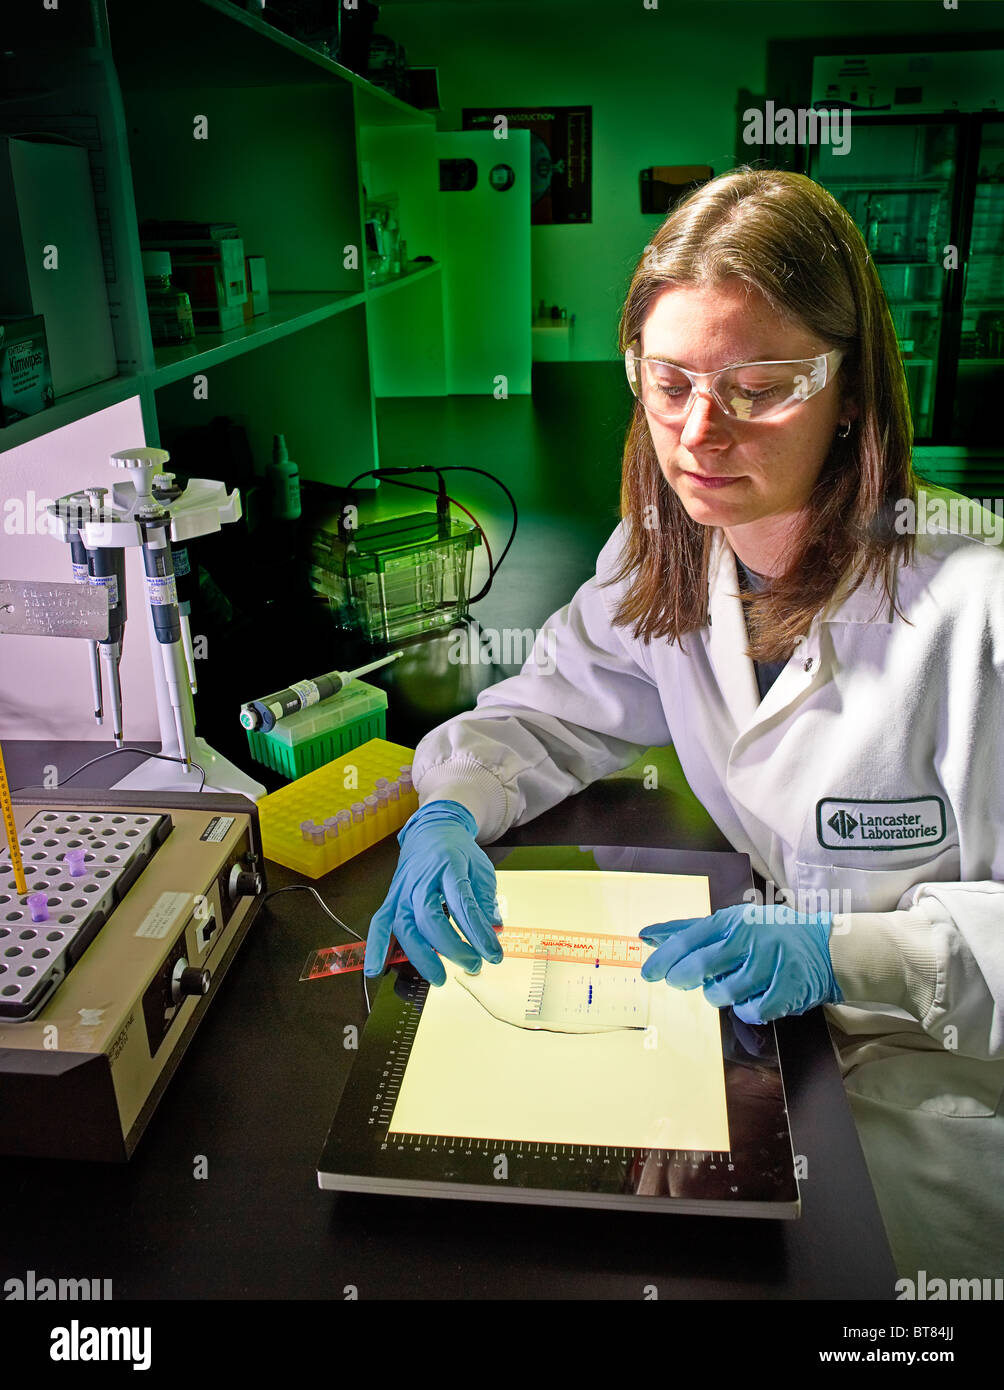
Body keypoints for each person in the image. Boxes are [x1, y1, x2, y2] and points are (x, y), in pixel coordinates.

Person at [364, 167, 1004, 1283]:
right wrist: (448, 816)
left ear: (848, 392)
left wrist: (839, 951)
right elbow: (537, 714)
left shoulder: (972, 603)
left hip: (935, 1090)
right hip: (765, 1052)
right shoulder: (665, 555)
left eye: (757, 387)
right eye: (667, 381)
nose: (699, 430)